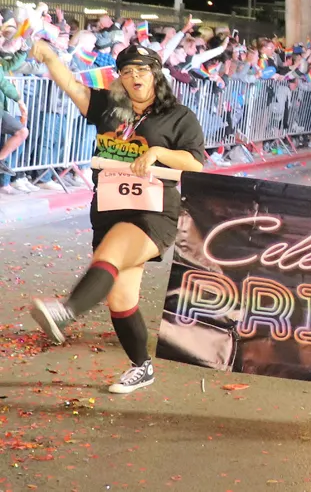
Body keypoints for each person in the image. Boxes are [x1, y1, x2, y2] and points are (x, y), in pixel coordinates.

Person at [28, 41, 206, 394]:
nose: (134, 76)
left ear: (155, 74)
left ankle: (67, 311)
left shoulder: (178, 116)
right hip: (109, 207)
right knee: (121, 298)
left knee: (111, 253)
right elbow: (72, 86)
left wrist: (157, 152)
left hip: (153, 211)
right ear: (120, 78)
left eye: (142, 70)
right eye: (127, 71)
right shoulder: (109, 108)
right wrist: (48, 56)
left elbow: (195, 162)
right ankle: (142, 367)